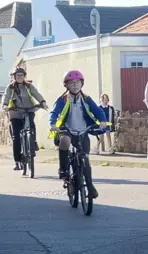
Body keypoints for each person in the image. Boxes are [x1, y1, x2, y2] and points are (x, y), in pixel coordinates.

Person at [48, 70, 108, 199]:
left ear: (82, 84)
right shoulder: (63, 99)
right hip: (67, 129)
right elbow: (54, 113)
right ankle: (63, 169)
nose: (75, 85)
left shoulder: (86, 99)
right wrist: (53, 124)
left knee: (85, 159)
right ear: (66, 85)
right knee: (64, 141)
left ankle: (90, 187)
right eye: (71, 83)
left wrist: (102, 121)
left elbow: (97, 110)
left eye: (78, 82)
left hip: (83, 131)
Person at [1, 67, 48, 170]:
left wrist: (42, 102)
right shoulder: (10, 87)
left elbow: (36, 94)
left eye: (21, 75)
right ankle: (17, 161)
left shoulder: (29, 86)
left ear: (24, 76)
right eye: (17, 75)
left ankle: (33, 143)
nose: (19, 77)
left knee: (31, 126)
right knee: (16, 137)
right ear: (14, 77)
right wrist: (5, 105)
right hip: (15, 113)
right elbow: (6, 97)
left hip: (29, 110)